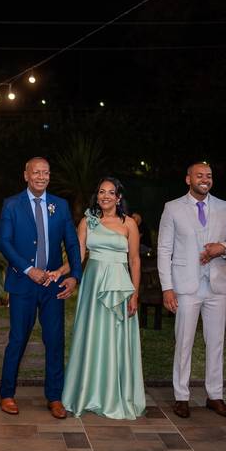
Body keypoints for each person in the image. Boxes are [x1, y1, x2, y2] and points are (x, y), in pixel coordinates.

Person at [157, 162, 226, 419]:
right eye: (199, 175)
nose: (205, 179)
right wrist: (167, 288)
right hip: (185, 286)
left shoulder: (223, 207)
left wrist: (223, 248)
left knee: (216, 342)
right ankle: (181, 396)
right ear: (188, 179)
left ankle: (214, 396)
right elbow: (164, 249)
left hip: (216, 286)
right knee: (184, 342)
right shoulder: (172, 208)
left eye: (208, 175)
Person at [0, 157, 83, 419]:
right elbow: (4, 242)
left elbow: (72, 243)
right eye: (36, 172)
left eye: (46, 173)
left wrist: (74, 275)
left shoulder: (60, 205)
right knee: (18, 339)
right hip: (23, 283)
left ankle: (54, 397)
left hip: (52, 285)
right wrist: (28, 269)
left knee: (55, 340)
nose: (41, 177)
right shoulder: (12, 204)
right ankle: (7, 394)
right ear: (26, 175)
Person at [58, 177, 145, 419]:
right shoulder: (88, 221)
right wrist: (60, 271)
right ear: (97, 196)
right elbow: (78, 256)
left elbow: (135, 260)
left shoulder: (129, 224)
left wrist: (135, 294)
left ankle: (115, 395)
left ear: (118, 198)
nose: (105, 196)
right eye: (101, 192)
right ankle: (88, 392)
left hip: (119, 286)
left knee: (116, 338)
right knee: (92, 335)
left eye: (110, 192)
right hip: (93, 285)